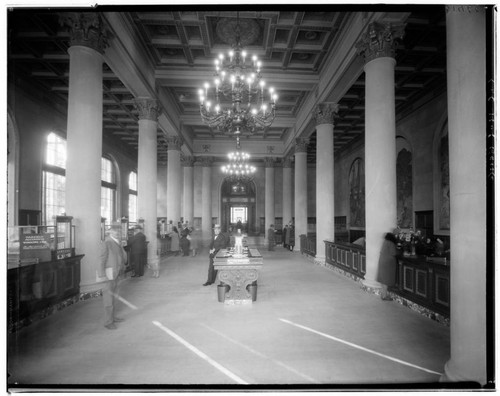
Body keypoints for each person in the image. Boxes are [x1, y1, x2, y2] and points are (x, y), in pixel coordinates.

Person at [98, 223, 127, 330]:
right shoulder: (106, 243)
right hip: (108, 276)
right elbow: (101, 260)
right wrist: (102, 275)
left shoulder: (118, 242)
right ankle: (108, 322)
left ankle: (113, 317)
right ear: (110, 231)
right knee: (108, 299)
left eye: (119, 231)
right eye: (115, 230)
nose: (118, 233)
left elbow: (121, 256)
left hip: (117, 274)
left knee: (115, 297)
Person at [376, 232, 399, 301]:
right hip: (388, 264)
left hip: (382, 261)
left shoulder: (385, 242)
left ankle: (383, 295)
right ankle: (385, 296)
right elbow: (393, 253)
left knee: (383, 280)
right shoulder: (391, 243)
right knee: (386, 280)